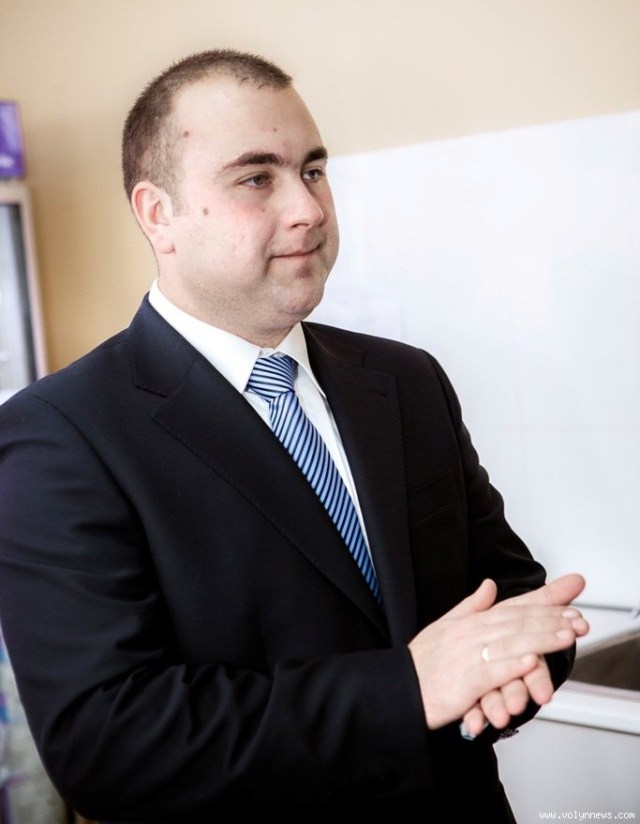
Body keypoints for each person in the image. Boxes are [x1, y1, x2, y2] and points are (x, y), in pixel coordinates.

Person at [0, 50, 588, 823]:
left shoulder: (406, 379)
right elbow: (109, 744)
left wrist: (511, 670)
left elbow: (510, 594)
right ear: (157, 214)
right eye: (256, 178)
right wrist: (411, 689)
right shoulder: (57, 436)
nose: (308, 207)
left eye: (313, 169)